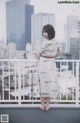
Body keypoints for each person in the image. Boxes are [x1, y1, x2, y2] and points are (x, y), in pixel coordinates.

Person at [36, 24, 62, 111]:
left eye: (45, 31)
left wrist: (38, 58)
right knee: (50, 84)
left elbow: (38, 53)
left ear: (49, 32)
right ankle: (47, 105)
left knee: (42, 84)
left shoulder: (45, 42)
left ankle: (42, 105)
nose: (44, 33)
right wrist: (53, 56)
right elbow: (59, 53)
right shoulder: (56, 42)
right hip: (51, 63)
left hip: (43, 63)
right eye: (43, 31)